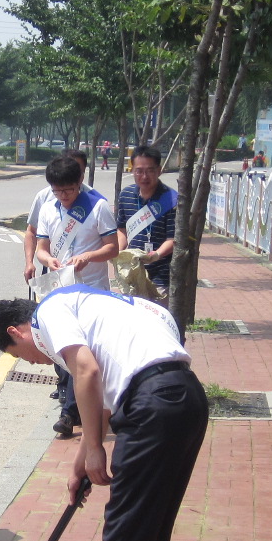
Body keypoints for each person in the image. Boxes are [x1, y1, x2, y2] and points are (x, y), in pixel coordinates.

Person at [0, 290, 208, 541]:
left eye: (20, 356)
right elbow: (103, 401)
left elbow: (87, 372)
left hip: (154, 404)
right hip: (184, 399)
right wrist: (80, 464)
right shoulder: (95, 306)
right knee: (148, 530)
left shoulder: (50, 312)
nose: (36, 362)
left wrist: (94, 450)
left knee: (124, 532)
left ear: (17, 332)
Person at [35, 154, 119, 436]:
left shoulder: (98, 207)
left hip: (92, 291)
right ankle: (74, 406)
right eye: (57, 191)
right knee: (65, 350)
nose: (64, 197)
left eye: (68, 190)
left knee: (83, 350)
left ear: (80, 182)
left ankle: (71, 412)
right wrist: (48, 261)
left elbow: (113, 247)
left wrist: (88, 257)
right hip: (60, 290)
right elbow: (41, 248)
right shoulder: (48, 209)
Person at [22, 148, 99, 286]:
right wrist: (29, 262)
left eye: (78, 170)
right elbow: (32, 232)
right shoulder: (44, 198)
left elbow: (110, 244)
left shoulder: (95, 201)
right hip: (55, 272)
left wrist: (88, 257)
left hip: (89, 281)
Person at [116, 144, 177, 303]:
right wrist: (119, 251)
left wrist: (155, 255)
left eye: (150, 170)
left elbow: (173, 239)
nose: (144, 176)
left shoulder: (171, 199)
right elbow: (122, 229)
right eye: (139, 171)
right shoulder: (126, 195)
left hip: (160, 276)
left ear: (159, 170)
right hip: (131, 272)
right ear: (132, 170)